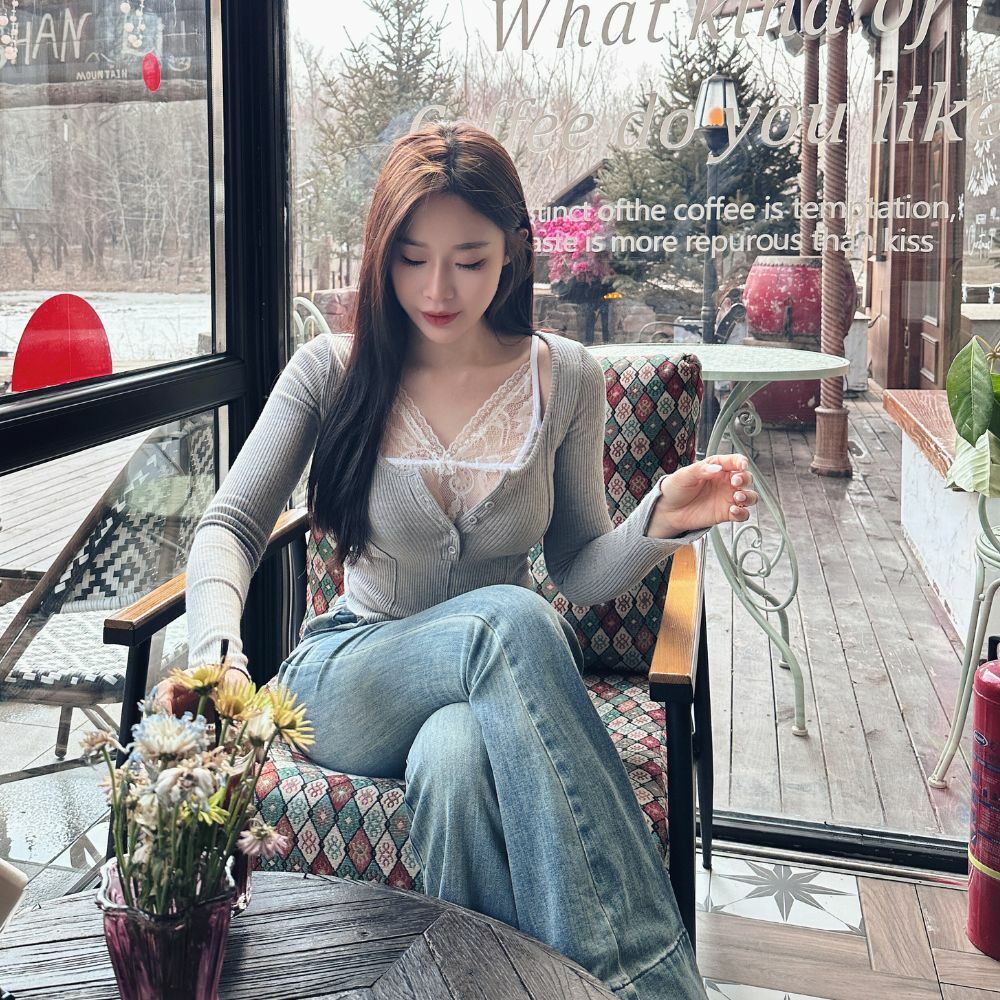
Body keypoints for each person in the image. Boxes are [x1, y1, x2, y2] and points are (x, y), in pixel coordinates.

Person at [163, 121, 758, 1000]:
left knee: (453, 758)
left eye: (469, 260)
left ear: (513, 251)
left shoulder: (566, 378)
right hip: (350, 674)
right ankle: (633, 981)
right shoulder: (332, 370)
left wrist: (656, 519)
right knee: (513, 618)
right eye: (411, 258)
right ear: (382, 253)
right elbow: (229, 524)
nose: (437, 289)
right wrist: (218, 654)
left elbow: (579, 568)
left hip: (486, 692)